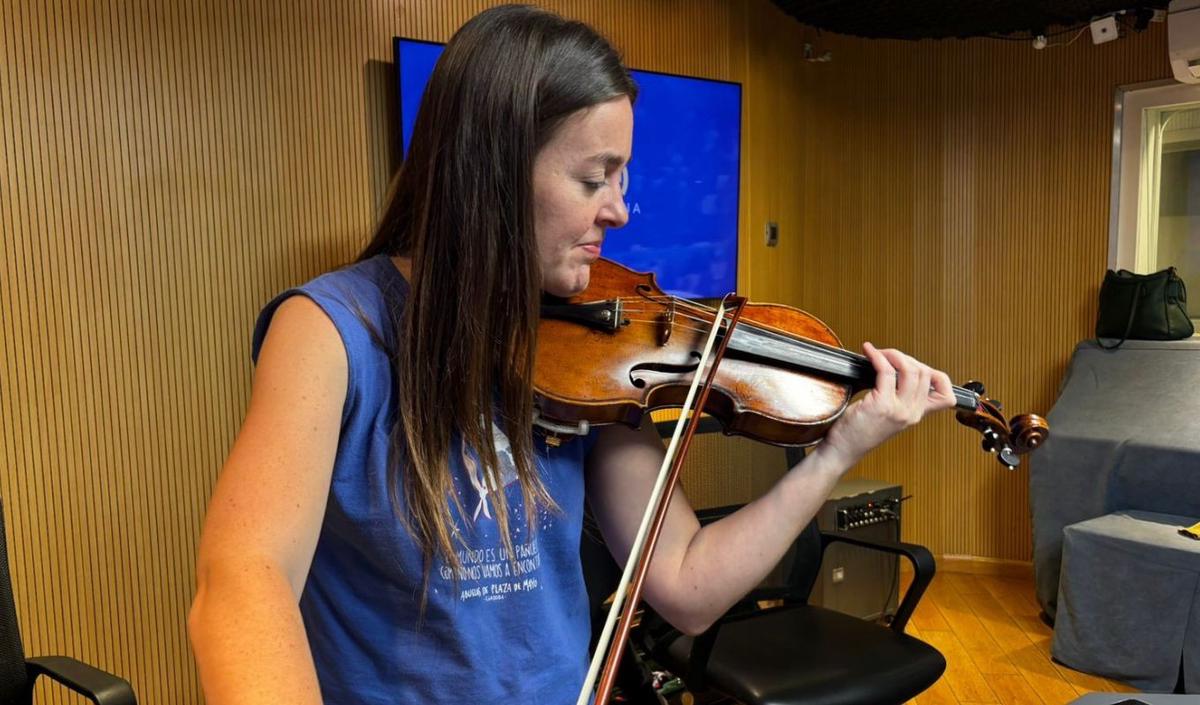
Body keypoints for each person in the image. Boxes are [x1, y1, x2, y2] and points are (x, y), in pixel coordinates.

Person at [187, 4, 958, 704]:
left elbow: (685, 582)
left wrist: (834, 454)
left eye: (621, 175)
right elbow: (244, 583)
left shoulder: (592, 351)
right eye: (596, 177)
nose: (618, 209)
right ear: (490, 170)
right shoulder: (332, 330)